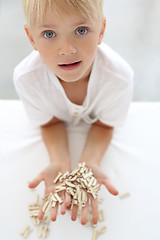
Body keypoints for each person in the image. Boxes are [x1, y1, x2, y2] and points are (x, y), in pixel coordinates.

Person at [13, 0, 133, 225]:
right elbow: (50, 123)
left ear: (101, 31)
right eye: (49, 34)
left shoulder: (118, 78)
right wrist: (60, 161)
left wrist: (89, 163)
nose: (67, 49)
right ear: (31, 38)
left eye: (81, 30)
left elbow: (104, 124)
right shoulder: (27, 78)